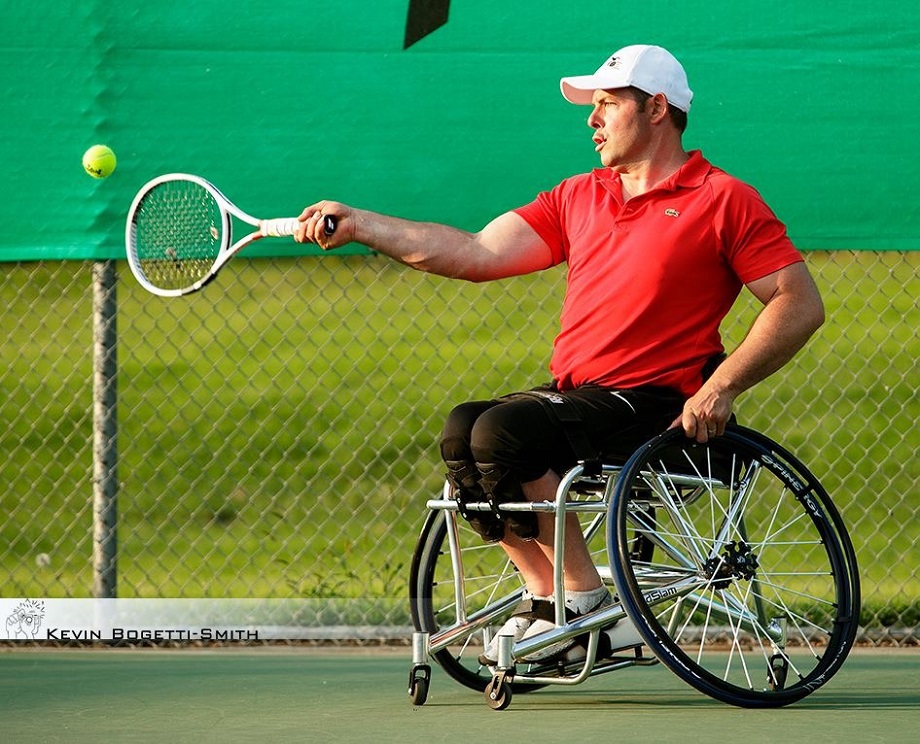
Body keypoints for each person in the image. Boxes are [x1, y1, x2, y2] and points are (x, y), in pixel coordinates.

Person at [292, 44, 825, 664]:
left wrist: (723, 385)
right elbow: (476, 251)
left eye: (606, 104)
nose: (591, 119)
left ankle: (587, 600)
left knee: (504, 432)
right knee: (465, 429)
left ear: (657, 109)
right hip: (582, 398)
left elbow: (798, 301)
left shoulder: (723, 198)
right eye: (591, 106)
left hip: (659, 403)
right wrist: (360, 224)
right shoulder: (579, 195)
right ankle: (547, 593)